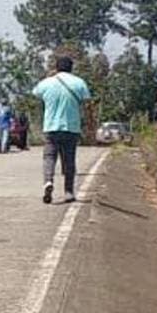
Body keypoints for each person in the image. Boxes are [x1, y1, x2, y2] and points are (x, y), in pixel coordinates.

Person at [31, 55, 91, 204]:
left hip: (51, 127)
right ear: (72, 68)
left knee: (49, 157)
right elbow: (86, 100)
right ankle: (69, 192)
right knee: (69, 160)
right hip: (71, 127)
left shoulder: (48, 83)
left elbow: (36, 92)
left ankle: (48, 181)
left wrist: (49, 76)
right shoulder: (79, 83)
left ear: (56, 67)